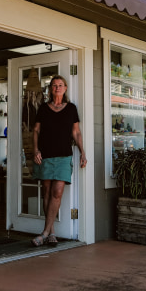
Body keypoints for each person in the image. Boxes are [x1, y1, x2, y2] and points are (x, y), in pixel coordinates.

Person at [31, 75, 87, 247]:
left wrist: (82, 152)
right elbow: (36, 131)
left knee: (57, 192)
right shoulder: (43, 108)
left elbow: (76, 133)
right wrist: (35, 150)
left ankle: (45, 232)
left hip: (64, 156)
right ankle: (52, 232)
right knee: (47, 192)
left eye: (60, 85)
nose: (57, 88)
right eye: (54, 85)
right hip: (45, 155)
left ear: (65, 88)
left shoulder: (71, 108)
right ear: (50, 89)